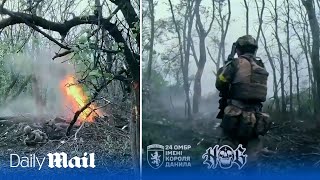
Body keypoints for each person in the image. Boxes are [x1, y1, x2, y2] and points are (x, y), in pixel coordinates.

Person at [215, 35, 271, 164]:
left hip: (235, 115)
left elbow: (220, 84)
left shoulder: (235, 64)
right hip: (256, 117)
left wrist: (224, 69)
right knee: (253, 153)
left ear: (239, 49)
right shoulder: (261, 66)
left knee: (227, 147)